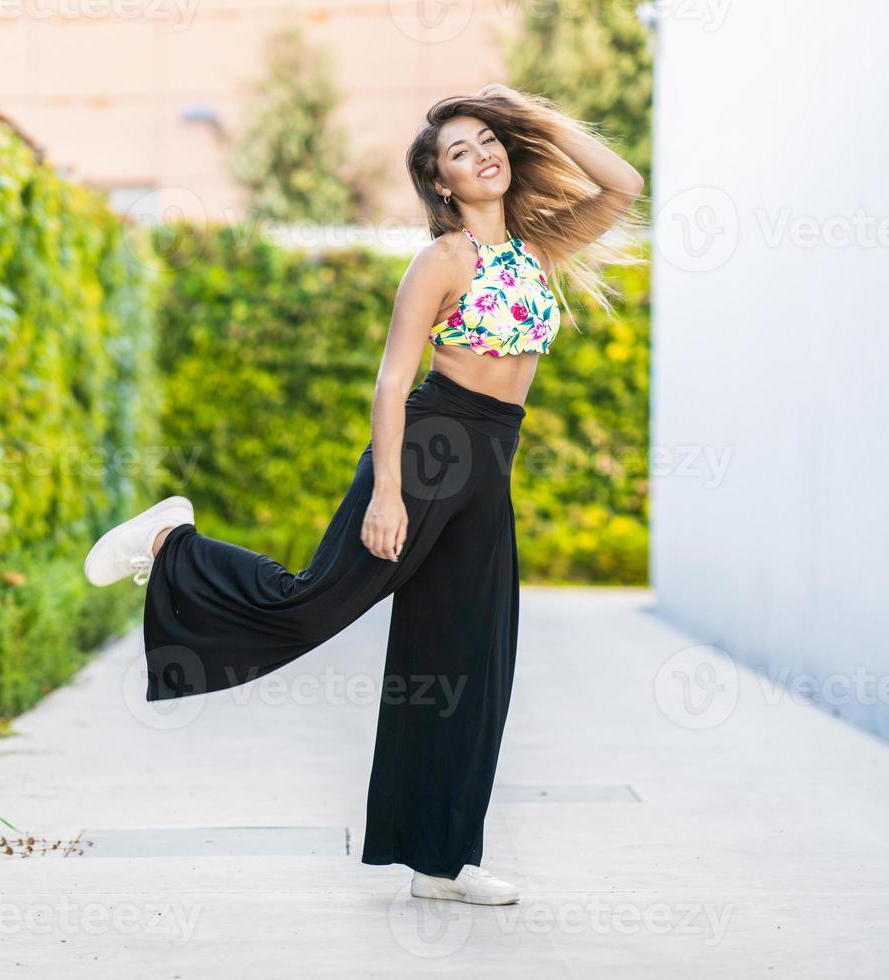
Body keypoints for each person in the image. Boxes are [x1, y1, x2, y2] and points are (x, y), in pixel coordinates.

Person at [84, 85, 646, 905]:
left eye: (489, 140)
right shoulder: (444, 259)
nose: (482, 154)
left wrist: (521, 106)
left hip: (493, 458)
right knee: (313, 601)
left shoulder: (536, 245)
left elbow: (624, 184)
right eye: (460, 151)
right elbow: (392, 379)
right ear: (441, 184)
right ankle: (175, 545)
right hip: (433, 448)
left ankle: (440, 862)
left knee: (467, 662)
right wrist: (388, 490)